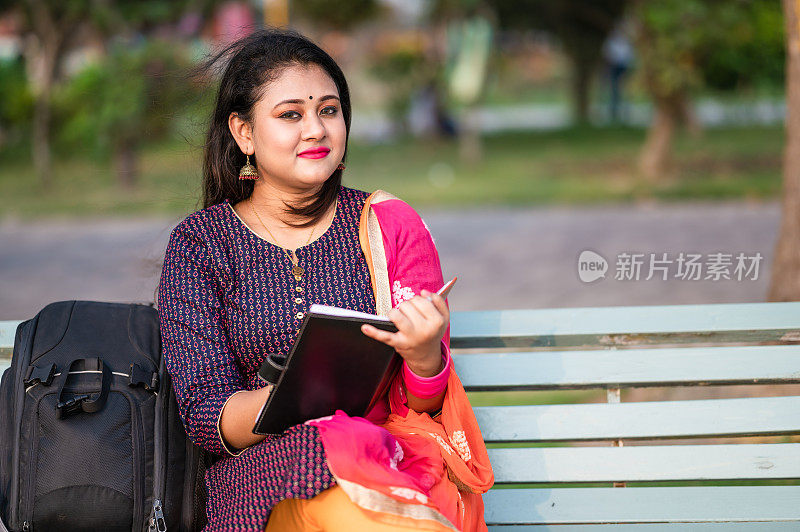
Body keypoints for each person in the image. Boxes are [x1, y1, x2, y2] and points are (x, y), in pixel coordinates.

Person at [157, 28, 493, 532]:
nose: (315, 129)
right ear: (244, 133)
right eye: (291, 114)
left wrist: (424, 355)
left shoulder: (386, 227)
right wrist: (294, 402)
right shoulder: (202, 244)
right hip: (264, 485)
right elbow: (207, 415)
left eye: (329, 111)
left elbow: (422, 405)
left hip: (387, 464)